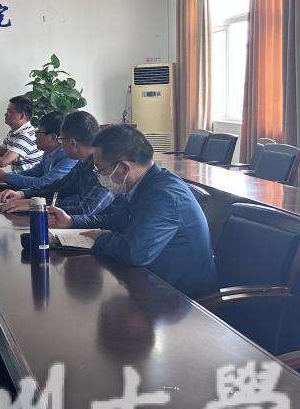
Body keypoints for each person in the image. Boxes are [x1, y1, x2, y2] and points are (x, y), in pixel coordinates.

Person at [48, 124, 218, 298]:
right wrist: (72, 221)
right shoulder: (145, 183)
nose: (97, 175)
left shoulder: (163, 195)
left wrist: (101, 237)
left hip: (182, 298)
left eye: (99, 169)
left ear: (123, 168)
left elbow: (134, 252)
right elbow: (116, 220)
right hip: (151, 280)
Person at [0, 110, 114, 217]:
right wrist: (22, 194)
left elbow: (85, 208)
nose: (60, 145)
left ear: (72, 142)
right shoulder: (84, 162)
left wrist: (36, 204)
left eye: (61, 139)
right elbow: (60, 186)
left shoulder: (105, 164)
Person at [0, 110, 75, 189]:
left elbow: (45, 183)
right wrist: (2, 175)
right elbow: (32, 173)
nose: (35, 135)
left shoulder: (69, 156)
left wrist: (5, 177)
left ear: (52, 137)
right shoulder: (49, 152)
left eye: (38, 132)